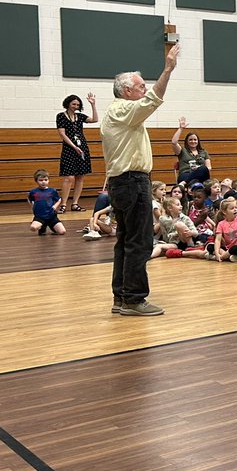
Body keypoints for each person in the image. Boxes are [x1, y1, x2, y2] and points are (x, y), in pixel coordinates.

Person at [100, 43, 179, 317]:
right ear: (126, 91)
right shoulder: (121, 110)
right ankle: (134, 299)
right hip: (132, 182)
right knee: (140, 242)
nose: (144, 89)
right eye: (140, 86)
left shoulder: (118, 113)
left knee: (125, 240)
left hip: (124, 183)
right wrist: (168, 69)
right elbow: (152, 101)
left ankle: (122, 297)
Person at [56, 92, 98, 212]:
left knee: (80, 177)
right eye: (74, 104)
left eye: (78, 105)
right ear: (68, 104)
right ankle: (63, 204)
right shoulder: (61, 116)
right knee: (69, 177)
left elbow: (95, 120)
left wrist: (93, 105)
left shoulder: (80, 116)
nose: (76, 106)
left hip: (82, 147)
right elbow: (62, 133)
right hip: (69, 148)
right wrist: (74, 146)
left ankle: (75, 203)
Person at [170, 117, 211, 186]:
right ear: (187, 141)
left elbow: (209, 167)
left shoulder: (203, 152)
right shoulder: (182, 151)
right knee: (195, 182)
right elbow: (174, 142)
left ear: (198, 141)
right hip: (186, 174)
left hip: (200, 176)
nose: (193, 141)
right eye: (190, 140)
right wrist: (181, 129)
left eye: (195, 140)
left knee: (204, 168)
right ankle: (185, 182)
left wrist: (198, 169)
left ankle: (184, 183)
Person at [28, 169, 65, 235]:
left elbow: (59, 199)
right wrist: (33, 207)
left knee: (62, 232)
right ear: (36, 181)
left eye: (45, 180)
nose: (43, 182)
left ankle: (52, 226)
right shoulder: (33, 192)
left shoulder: (52, 191)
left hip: (51, 216)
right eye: (41, 180)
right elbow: (30, 199)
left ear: (48, 180)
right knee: (33, 228)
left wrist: (54, 207)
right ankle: (42, 226)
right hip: (40, 216)